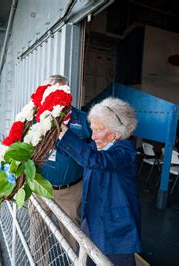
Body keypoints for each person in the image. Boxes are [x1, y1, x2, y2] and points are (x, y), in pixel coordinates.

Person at [56, 97, 141, 265]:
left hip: (115, 230)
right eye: (92, 129)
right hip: (93, 220)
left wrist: (64, 134)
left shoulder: (125, 152)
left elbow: (95, 160)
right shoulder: (98, 146)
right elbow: (78, 153)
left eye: (98, 130)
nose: (93, 136)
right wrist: (51, 138)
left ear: (117, 133)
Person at [28, 74, 91, 262]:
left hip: (71, 192)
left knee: (73, 237)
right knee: (37, 232)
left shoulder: (83, 120)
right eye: (51, 91)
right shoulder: (35, 119)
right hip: (40, 188)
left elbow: (93, 154)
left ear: (68, 93)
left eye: (60, 91)